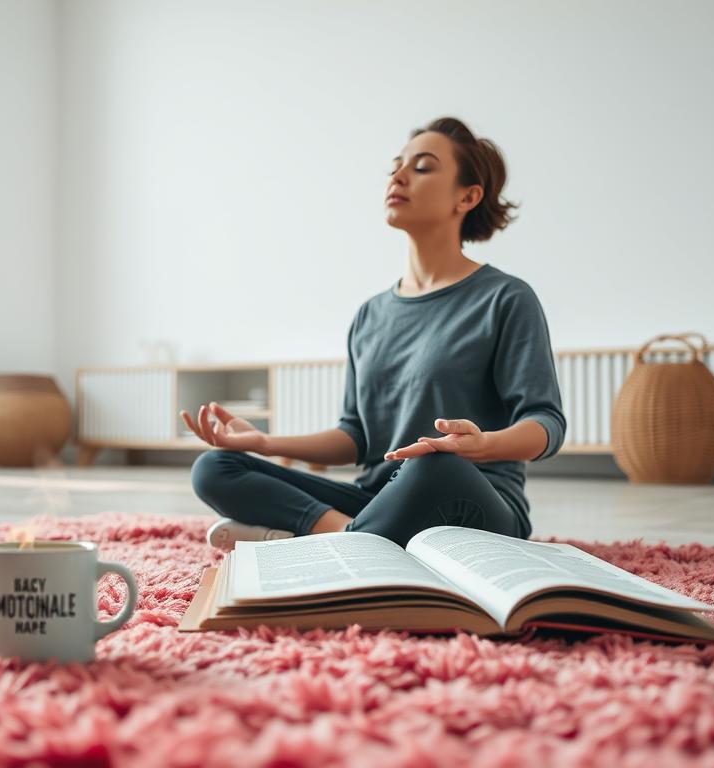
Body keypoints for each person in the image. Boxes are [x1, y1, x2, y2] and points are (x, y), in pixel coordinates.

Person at [183, 116, 566, 551]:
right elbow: (356, 437)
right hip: (376, 499)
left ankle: (324, 538)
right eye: (395, 166)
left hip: (472, 496)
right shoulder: (371, 314)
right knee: (215, 466)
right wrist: (265, 443)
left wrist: (480, 447)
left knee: (433, 465)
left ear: (468, 196)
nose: (398, 176)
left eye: (422, 167)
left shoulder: (506, 298)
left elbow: (546, 424)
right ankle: (354, 538)